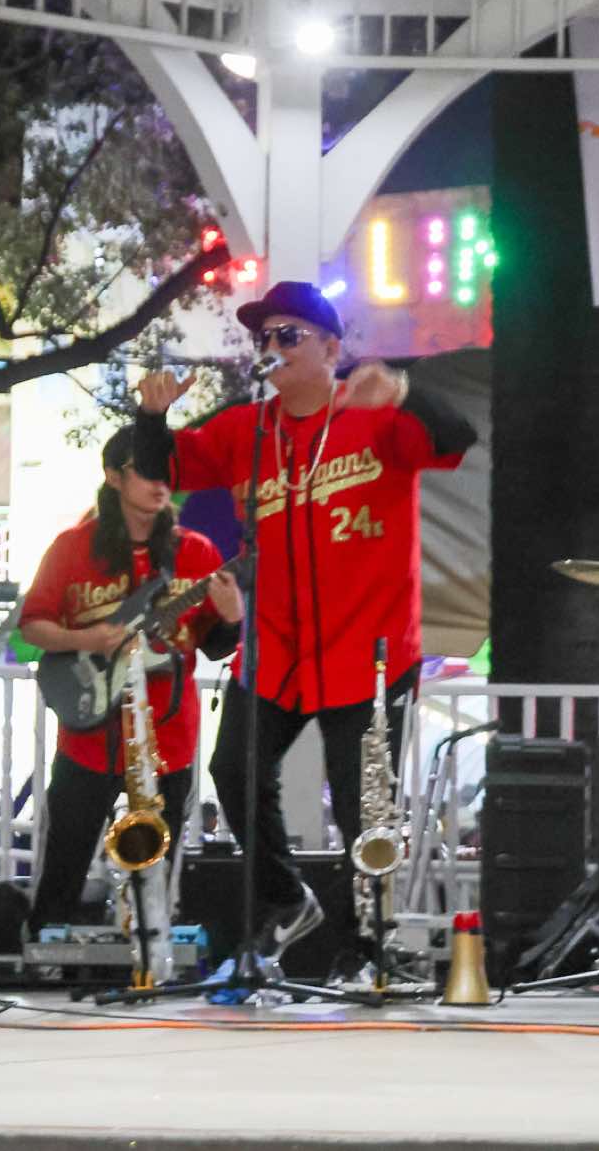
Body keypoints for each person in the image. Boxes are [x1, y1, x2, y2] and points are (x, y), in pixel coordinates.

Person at [133, 280, 477, 966]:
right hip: (275, 649)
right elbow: (160, 467)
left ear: (330, 348)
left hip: (369, 650)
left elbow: (457, 438)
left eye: (288, 334)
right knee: (233, 773)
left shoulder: (374, 415)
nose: (272, 346)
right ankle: (287, 899)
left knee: (362, 809)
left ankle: (370, 947)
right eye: (264, 336)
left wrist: (403, 390)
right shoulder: (245, 430)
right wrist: (151, 415)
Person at [21, 426, 243, 933]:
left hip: (167, 737)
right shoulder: (72, 547)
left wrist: (232, 617)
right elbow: (32, 627)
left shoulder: (196, 552)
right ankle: (47, 956)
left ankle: (151, 955)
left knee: (156, 872)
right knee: (64, 866)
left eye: (167, 472)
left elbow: (215, 646)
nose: (161, 483)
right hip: (88, 735)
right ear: (114, 477)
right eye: (145, 471)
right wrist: (88, 638)